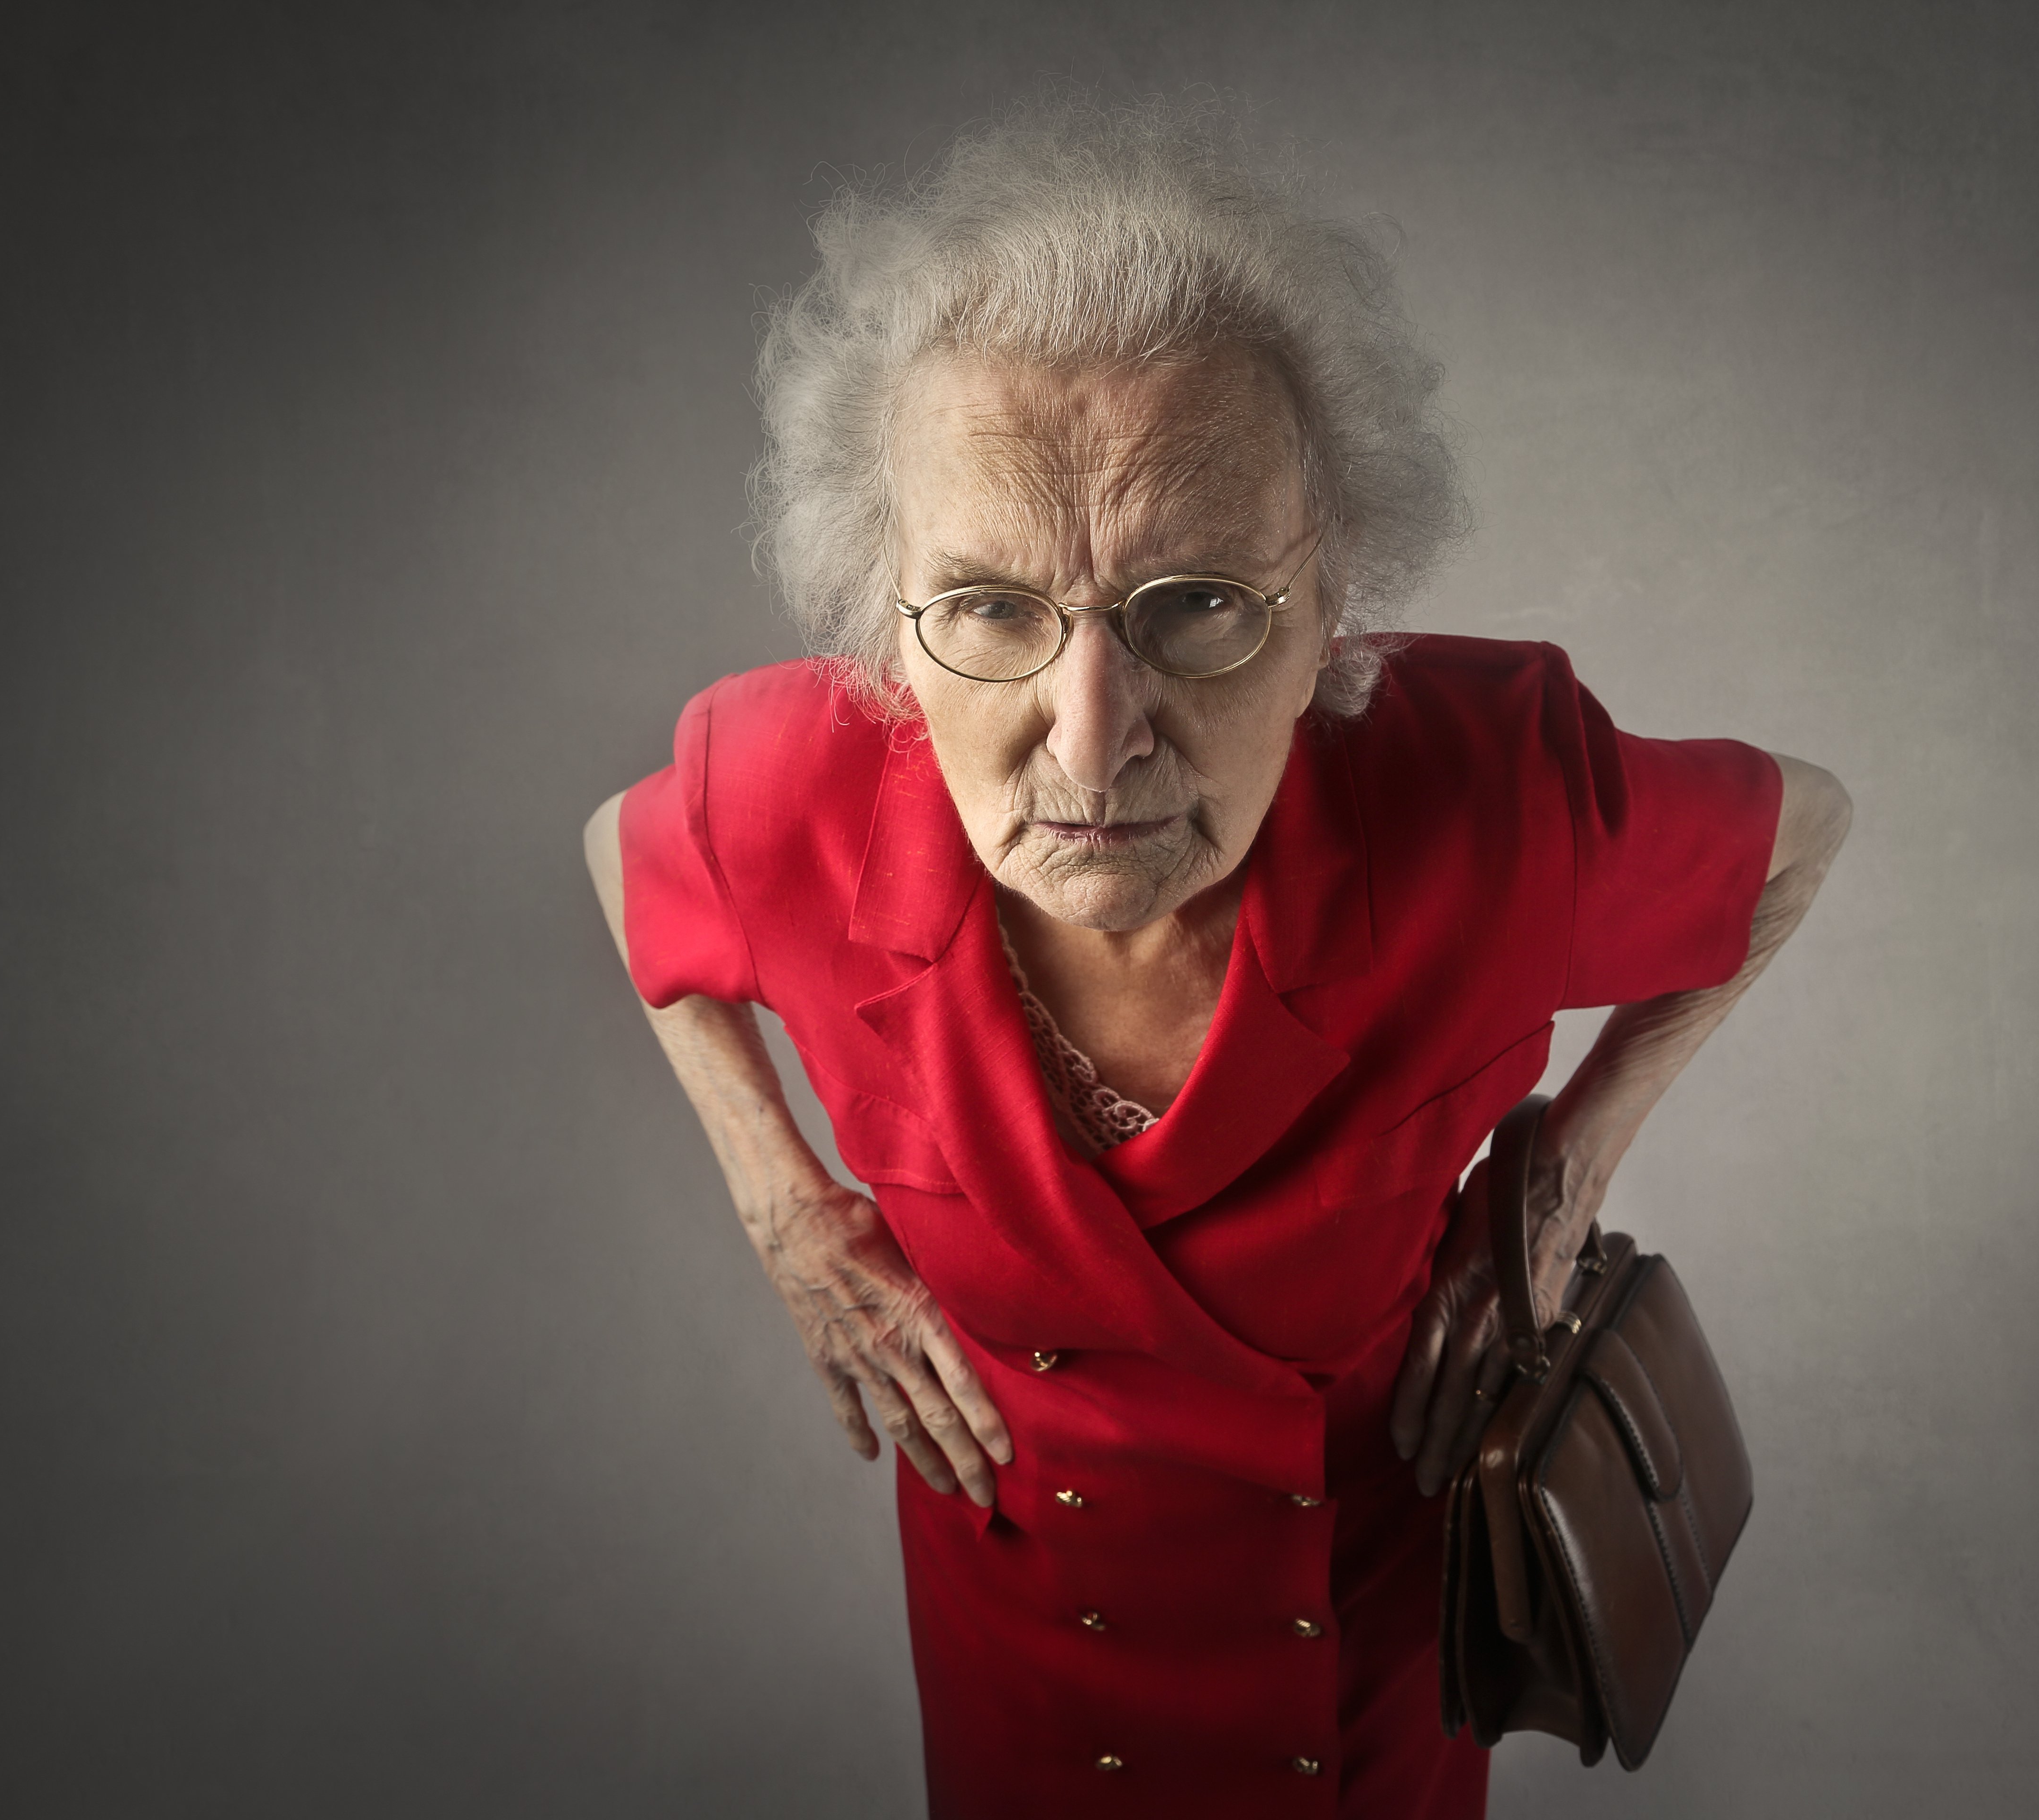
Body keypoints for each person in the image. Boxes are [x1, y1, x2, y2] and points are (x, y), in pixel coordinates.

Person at [583, 97, 1849, 1820]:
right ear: (889, 619)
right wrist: (784, 1205)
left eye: (1196, 604)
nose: (1092, 745)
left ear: (1336, 600)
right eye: (991, 608)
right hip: (1018, 1661)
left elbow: (1807, 829)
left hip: (1368, 1673)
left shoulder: (1486, 800)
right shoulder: (792, 784)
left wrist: (1577, 1148)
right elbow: (622, 857)